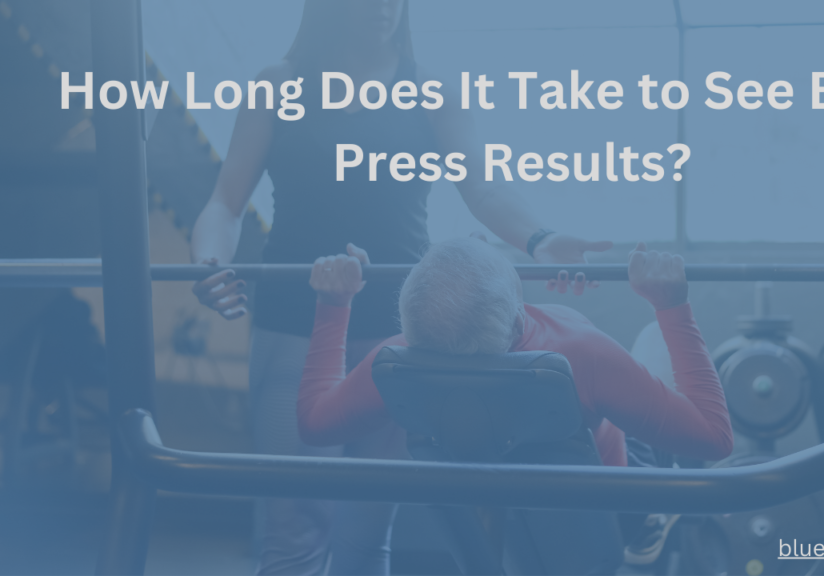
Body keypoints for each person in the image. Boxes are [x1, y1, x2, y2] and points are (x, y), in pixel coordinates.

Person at [189, 1, 611, 573]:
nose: (382, 7)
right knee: (293, 531)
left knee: (366, 532)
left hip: (399, 330)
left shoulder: (431, 92)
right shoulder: (276, 88)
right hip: (294, 320)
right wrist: (208, 261)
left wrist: (541, 238)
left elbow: (482, 191)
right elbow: (225, 201)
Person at [295, 237, 733, 569]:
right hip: (607, 520)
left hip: (491, 543)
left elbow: (314, 424)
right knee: (654, 339)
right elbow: (714, 437)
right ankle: (657, 510)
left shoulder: (397, 361)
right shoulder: (581, 350)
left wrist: (333, 304)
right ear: (517, 312)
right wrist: (671, 304)